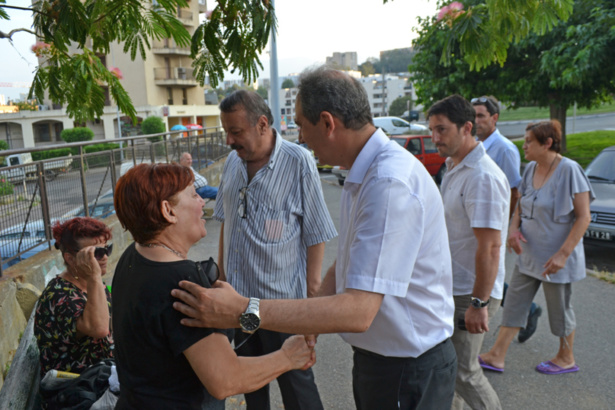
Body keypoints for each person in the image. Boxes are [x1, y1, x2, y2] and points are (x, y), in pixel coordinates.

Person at [172, 66, 457, 410]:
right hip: (381, 358)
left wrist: (246, 310)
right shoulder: (365, 174)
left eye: (302, 127)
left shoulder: (388, 183)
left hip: (407, 366)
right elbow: (353, 258)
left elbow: (358, 312)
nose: (301, 138)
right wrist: (309, 326)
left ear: (327, 123)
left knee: (299, 394)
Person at [111, 163, 314, 409]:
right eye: (193, 195)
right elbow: (226, 379)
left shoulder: (133, 256)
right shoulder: (183, 281)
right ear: (168, 211)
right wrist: (288, 357)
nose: (202, 203)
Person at [214, 90, 337, 410]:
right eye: (226, 131)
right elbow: (227, 221)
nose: (229, 140)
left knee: (299, 391)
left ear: (262, 124)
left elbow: (316, 232)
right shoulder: (232, 162)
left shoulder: (298, 163)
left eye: (236, 132)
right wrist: (221, 280)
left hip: (283, 307)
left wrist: (312, 303)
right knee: (250, 387)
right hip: (238, 304)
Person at [479, 120, 593, 375]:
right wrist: (513, 230)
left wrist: (563, 255)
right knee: (516, 304)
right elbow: (520, 203)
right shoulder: (530, 169)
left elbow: (584, 217)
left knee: (559, 310)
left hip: (555, 259)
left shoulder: (570, 170)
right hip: (529, 254)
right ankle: (496, 355)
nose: (524, 144)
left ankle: (566, 357)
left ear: (548, 143)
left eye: (529, 140)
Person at [428, 94, 509, 410]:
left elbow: (490, 247)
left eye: (442, 129)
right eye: (432, 129)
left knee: (464, 373)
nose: (434, 137)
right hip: (452, 287)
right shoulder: (454, 166)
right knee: (449, 375)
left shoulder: (482, 176)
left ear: (466, 128)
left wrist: (479, 303)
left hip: (471, 293)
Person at [471, 95, 543, 343]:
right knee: (479, 272)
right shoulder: (476, 144)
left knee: (488, 273)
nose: (476, 120)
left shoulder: (504, 148)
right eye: (474, 115)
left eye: (481, 115)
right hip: (478, 223)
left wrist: (508, 227)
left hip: (495, 225)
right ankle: (524, 310)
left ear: (494, 118)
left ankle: (528, 310)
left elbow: (515, 191)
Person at [34, 217, 114, 377]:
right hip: (78, 389)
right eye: (96, 253)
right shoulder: (59, 295)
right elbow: (99, 329)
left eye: (107, 249)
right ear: (70, 258)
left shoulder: (90, 283)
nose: (105, 257)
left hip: (101, 375)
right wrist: (94, 277)